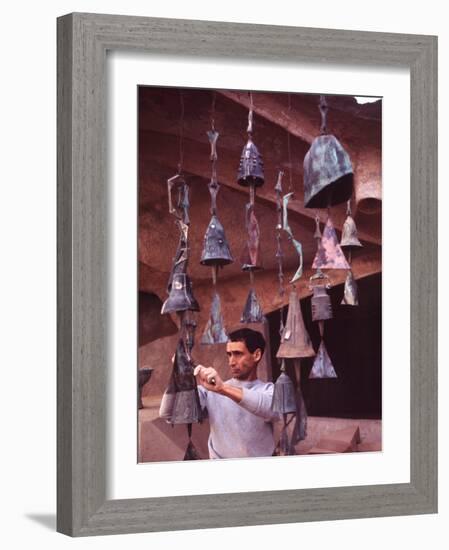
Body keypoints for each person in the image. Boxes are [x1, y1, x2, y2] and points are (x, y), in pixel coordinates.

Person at [193, 328, 279, 459]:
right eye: (229, 354)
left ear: (256, 355)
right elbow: (167, 413)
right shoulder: (211, 390)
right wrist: (179, 376)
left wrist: (223, 389)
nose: (231, 362)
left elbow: (268, 408)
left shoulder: (268, 391)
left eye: (238, 354)